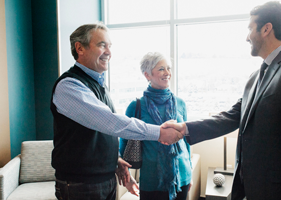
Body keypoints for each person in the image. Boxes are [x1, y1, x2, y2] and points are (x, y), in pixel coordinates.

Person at [163, 2, 281, 200]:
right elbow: (232, 116)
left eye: (250, 28)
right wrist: (185, 128)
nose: (247, 37)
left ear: (266, 28)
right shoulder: (256, 76)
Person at [50, 23, 183, 200]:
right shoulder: (69, 86)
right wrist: (158, 132)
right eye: (102, 45)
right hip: (80, 185)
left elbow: (103, 133)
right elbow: (110, 123)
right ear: (79, 48)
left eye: (109, 46)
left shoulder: (100, 85)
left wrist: (116, 160)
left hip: (105, 180)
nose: (108, 52)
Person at [119, 52, 192, 200]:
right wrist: (127, 178)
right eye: (161, 69)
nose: (167, 73)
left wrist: (189, 171)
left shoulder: (180, 103)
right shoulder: (136, 106)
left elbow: (187, 141)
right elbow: (124, 145)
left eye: (168, 68)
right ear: (147, 75)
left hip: (181, 176)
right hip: (151, 180)